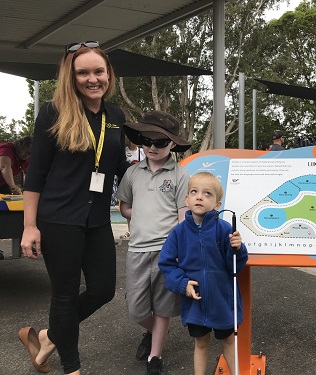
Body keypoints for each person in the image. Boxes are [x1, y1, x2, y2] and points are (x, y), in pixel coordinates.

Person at [18, 41, 129, 375]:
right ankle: (72, 368)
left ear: (108, 73)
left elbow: (120, 168)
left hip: (97, 220)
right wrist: (29, 225)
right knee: (64, 297)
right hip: (58, 219)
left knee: (103, 290)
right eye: (83, 72)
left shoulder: (116, 117)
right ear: (72, 75)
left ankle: (49, 335)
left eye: (98, 71)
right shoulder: (53, 113)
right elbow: (35, 174)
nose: (92, 79)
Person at [116, 110, 192, 375]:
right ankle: (154, 332)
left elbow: (184, 217)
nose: (151, 147)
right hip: (137, 248)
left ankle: (155, 357)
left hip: (166, 251)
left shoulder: (181, 175)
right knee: (136, 309)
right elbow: (124, 206)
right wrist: (138, 214)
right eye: (146, 141)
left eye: (160, 142)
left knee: (162, 307)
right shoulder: (133, 173)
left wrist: (183, 251)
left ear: (172, 144)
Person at [158, 171, 249, 375]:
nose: (199, 196)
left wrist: (237, 249)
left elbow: (235, 266)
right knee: (201, 342)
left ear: (217, 204)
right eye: (194, 192)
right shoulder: (178, 232)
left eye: (207, 193)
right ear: (187, 199)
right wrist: (183, 284)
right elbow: (166, 264)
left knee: (228, 340)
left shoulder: (225, 229)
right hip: (195, 302)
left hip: (223, 299)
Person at [119, 136, 146, 239]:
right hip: (127, 182)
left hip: (141, 182)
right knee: (128, 205)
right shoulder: (124, 152)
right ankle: (130, 230)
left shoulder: (142, 151)